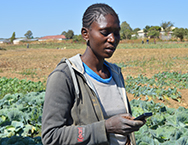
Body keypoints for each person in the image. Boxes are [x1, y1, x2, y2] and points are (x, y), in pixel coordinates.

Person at [42, 3, 145, 145]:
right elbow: (51, 136)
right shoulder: (65, 76)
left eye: (116, 32)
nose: (112, 39)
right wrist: (106, 127)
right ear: (86, 34)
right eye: (105, 32)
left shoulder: (115, 74)